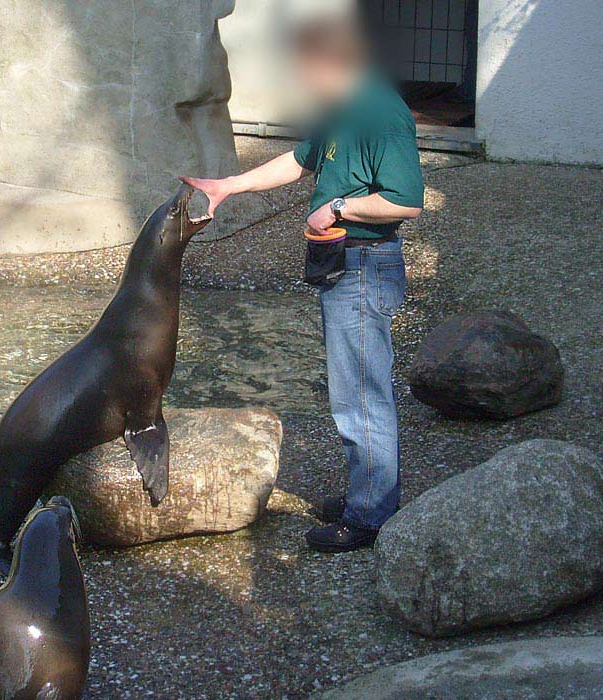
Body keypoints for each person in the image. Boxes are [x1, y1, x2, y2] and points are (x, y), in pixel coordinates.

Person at [182, 4, 424, 553]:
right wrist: (230, 187)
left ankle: (370, 518)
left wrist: (338, 207)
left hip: (364, 266)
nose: (301, 79)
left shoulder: (380, 113)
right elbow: (298, 161)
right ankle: (370, 492)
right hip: (342, 266)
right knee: (350, 389)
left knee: (360, 394)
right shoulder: (340, 107)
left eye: (305, 68)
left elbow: (407, 203)